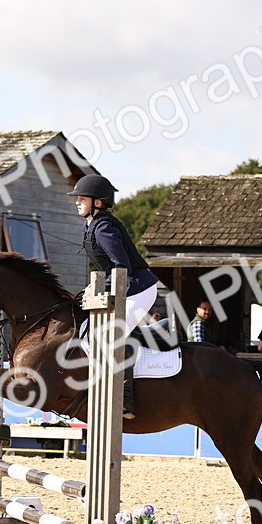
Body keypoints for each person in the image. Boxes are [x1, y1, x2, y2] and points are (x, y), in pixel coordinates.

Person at [68, 174, 160, 420]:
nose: (77, 202)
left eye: (82, 198)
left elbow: (122, 267)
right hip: (121, 287)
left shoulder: (105, 227)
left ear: (97, 202)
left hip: (138, 288)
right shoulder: (91, 225)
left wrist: (98, 287)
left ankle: (126, 400)